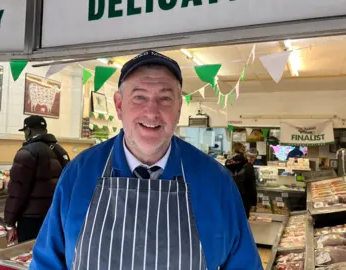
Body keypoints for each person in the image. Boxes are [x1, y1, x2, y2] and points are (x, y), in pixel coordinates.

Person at [30, 50, 262, 269]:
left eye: (165, 98)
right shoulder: (79, 174)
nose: (152, 113)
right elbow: (47, 262)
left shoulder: (216, 182)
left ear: (179, 107)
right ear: (119, 105)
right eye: (140, 97)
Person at [4, 115, 70, 243]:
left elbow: (17, 192)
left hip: (31, 220)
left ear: (28, 130)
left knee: (29, 256)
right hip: (54, 216)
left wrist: (9, 223)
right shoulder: (61, 151)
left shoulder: (27, 152)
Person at [225, 143, 258, 219]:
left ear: (233, 151)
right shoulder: (247, 165)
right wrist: (253, 202)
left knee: (232, 219)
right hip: (244, 198)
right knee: (242, 220)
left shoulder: (227, 163)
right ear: (244, 151)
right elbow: (251, 186)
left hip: (231, 196)